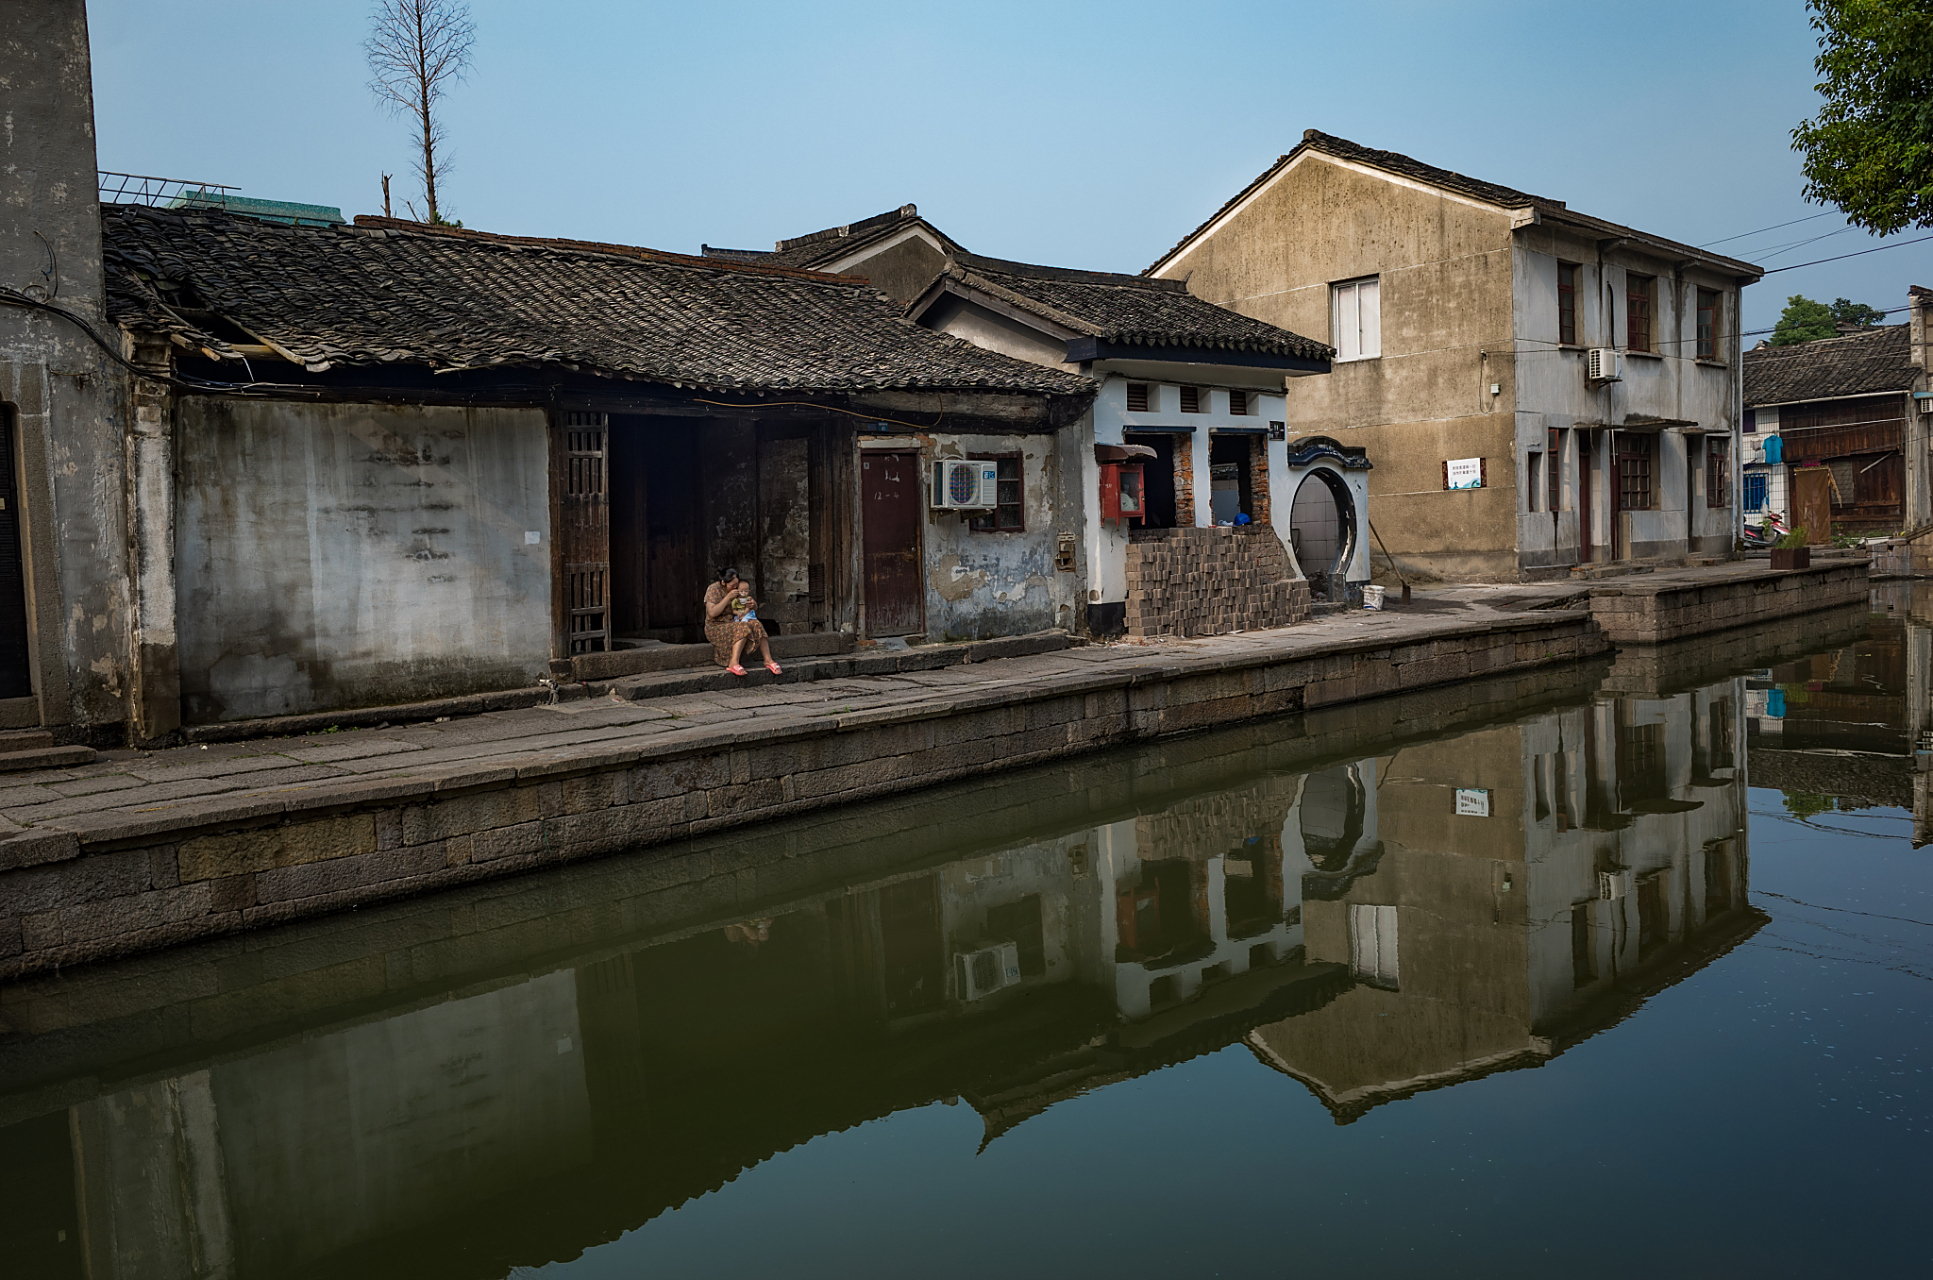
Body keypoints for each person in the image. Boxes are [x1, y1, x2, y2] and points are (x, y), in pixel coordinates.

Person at [703, 567, 781, 677]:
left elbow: (749, 604)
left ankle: (768, 660)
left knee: (756, 624)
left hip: (735, 622)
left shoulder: (738, 589)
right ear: (723, 583)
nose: (735, 588)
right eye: (732, 585)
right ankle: (733, 662)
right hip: (716, 626)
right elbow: (712, 613)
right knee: (743, 627)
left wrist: (753, 605)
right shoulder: (713, 589)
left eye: (736, 585)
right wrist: (728, 597)